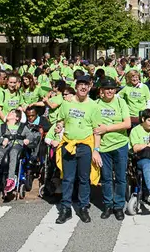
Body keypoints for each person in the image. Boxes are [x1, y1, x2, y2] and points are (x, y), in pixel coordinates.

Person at [54, 76, 102, 224]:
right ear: (76, 87)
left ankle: (83, 207)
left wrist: (96, 150)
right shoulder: (66, 103)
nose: (83, 87)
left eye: (86, 85)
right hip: (69, 144)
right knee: (67, 178)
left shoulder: (94, 106)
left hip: (85, 146)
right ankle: (66, 208)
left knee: (84, 178)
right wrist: (59, 126)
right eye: (80, 84)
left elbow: (97, 130)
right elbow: (60, 120)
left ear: (90, 87)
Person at [94, 77, 131, 220]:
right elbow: (96, 129)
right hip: (104, 147)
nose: (110, 91)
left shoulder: (121, 102)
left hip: (120, 144)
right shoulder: (96, 104)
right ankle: (108, 205)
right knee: (106, 178)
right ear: (101, 91)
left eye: (112, 88)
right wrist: (96, 149)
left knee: (121, 178)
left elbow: (127, 123)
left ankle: (119, 206)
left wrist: (107, 128)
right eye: (106, 88)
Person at [0, 109, 32, 193]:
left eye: (12, 113)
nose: (9, 113)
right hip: (5, 145)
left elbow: (30, 136)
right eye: (9, 112)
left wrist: (28, 140)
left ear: (17, 118)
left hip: (17, 145)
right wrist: (3, 140)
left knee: (13, 152)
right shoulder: (1, 127)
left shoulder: (22, 127)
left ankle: (11, 179)